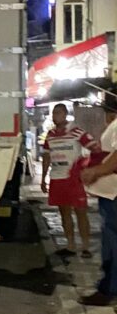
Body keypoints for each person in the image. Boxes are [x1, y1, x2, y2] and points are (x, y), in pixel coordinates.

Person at [41, 103, 97, 258]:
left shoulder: (76, 132)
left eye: (58, 113)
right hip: (57, 178)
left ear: (65, 114)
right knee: (64, 212)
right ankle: (70, 245)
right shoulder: (50, 135)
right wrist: (43, 178)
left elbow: (95, 148)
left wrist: (87, 167)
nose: (55, 116)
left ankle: (86, 246)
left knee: (80, 212)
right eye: (53, 113)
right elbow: (46, 156)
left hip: (74, 179)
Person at [76, 97, 117, 305]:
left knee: (113, 246)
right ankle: (108, 288)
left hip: (114, 196)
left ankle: (108, 290)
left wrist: (96, 171)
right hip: (110, 195)